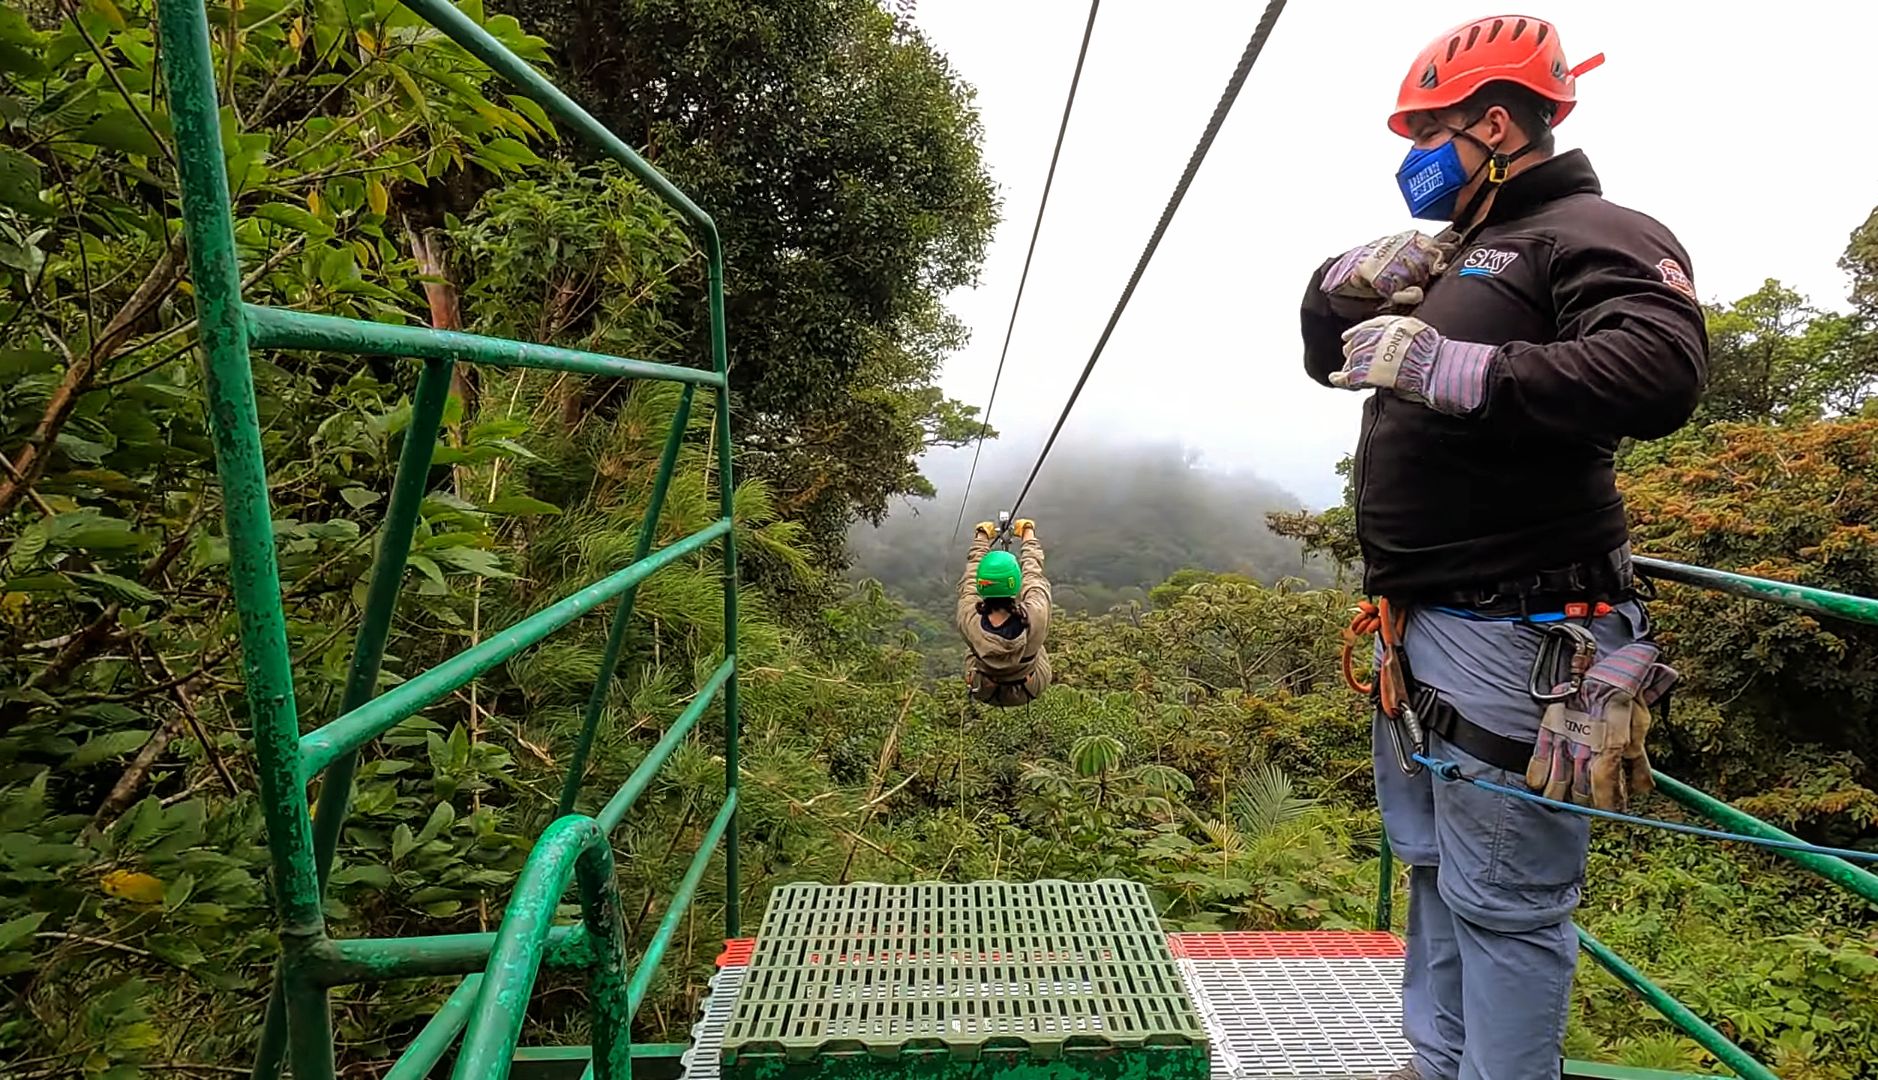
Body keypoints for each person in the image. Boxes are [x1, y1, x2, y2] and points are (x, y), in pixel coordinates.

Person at [1298, 15, 1707, 1080]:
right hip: (1428, 626)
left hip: (1520, 625)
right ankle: (1437, 1064)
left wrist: (1458, 371)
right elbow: (1322, 352)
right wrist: (1340, 278)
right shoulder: (1456, 254)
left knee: (1507, 904)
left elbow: (1660, 372)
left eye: (1432, 127)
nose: (1415, 153)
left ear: (1493, 121)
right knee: (1436, 870)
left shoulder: (1594, 231)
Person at [957, 517, 1052, 706]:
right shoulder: (1037, 613)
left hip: (986, 689)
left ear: (981, 585)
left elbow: (970, 578)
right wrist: (1027, 532)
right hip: (1030, 687)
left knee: (972, 647)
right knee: (1038, 639)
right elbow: (1033, 574)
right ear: (1015, 584)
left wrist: (981, 538)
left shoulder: (968, 616)